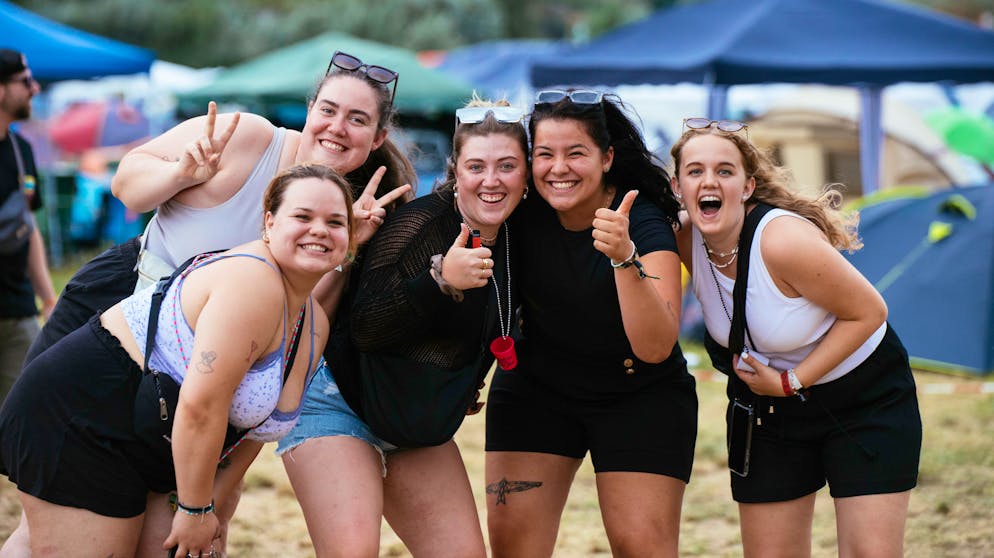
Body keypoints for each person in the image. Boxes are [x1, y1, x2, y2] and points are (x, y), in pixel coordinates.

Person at [0, 163, 353, 557]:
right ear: (269, 222)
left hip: (150, 442)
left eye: (335, 222)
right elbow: (202, 406)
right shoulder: (252, 283)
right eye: (302, 216)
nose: (320, 229)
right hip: (80, 417)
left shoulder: (312, 320)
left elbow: (255, 431)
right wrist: (195, 508)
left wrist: (213, 501)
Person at [24, 49, 414, 364]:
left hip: (200, 355)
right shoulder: (251, 137)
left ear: (378, 137)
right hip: (119, 297)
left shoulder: (347, 218)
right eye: (328, 110)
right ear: (310, 109)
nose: (337, 127)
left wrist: (347, 250)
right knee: (30, 439)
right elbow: (125, 184)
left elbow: (296, 322)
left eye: (357, 119)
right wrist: (179, 174)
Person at [279, 99, 529, 558]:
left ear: (526, 174)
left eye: (507, 166)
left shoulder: (519, 238)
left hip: (413, 419)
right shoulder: (422, 226)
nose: (491, 181)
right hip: (341, 399)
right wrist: (439, 281)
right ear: (457, 170)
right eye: (477, 166)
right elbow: (367, 326)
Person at [669, 118, 922, 557]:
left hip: (864, 401)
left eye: (725, 171)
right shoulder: (680, 236)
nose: (709, 181)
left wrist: (792, 381)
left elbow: (869, 313)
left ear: (747, 186)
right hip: (768, 415)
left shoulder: (781, 239)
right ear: (678, 185)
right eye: (695, 171)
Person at [485, 89, 696, 558]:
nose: (558, 168)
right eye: (544, 154)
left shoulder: (639, 219)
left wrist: (624, 258)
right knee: (513, 547)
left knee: (642, 547)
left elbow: (658, 345)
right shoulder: (518, 210)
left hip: (637, 393)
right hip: (537, 389)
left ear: (607, 158)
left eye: (575, 153)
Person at [0, 48, 56, 400]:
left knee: (23, 416)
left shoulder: (22, 149)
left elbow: (28, 226)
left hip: (17, 313)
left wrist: (48, 298)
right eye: (24, 82)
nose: (35, 88)